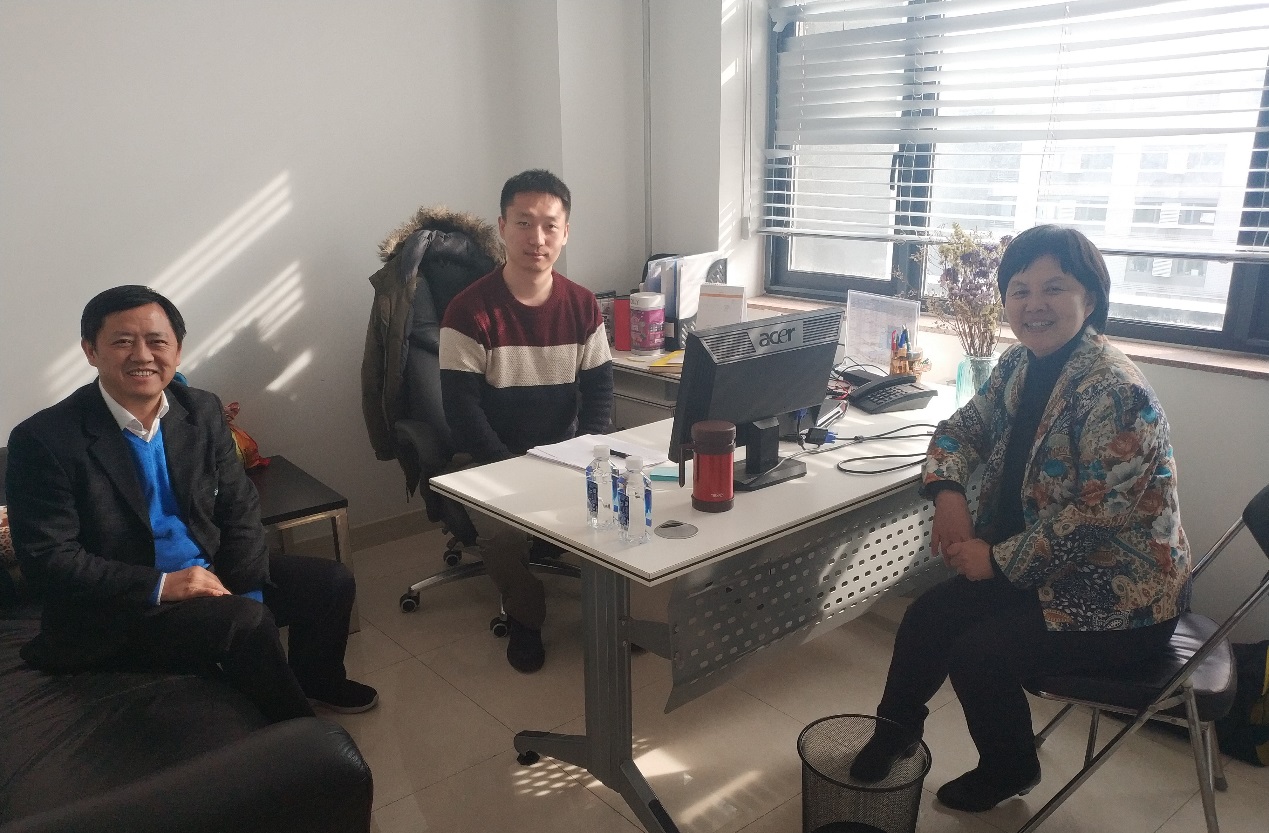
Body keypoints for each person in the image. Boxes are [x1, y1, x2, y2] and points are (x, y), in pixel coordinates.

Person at [849, 225, 1192, 812]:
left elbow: (1096, 517)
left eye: (1054, 287)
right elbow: (962, 428)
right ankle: (896, 731)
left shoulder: (1115, 390)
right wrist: (948, 492)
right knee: (928, 617)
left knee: (979, 652)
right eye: (1020, 289)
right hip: (1043, 574)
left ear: (1090, 297)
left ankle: (1010, 767)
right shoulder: (1018, 363)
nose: (1034, 304)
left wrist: (998, 561)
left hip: (1122, 598)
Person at [5, 286, 378, 722]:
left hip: (207, 572)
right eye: (123, 341)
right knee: (243, 623)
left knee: (330, 581)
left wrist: (246, 587)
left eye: (157, 341)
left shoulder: (200, 409)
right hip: (120, 606)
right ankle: (299, 731)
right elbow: (49, 559)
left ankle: (317, 680)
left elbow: (238, 505)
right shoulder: (44, 439)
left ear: (178, 351)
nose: (142, 355)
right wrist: (164, 586)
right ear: (91, 350)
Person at [439, 169, 613, 673]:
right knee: (503, 535)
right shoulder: (468, 311)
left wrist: (583, 452)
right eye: (523, 223)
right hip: (488, 458)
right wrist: (514, 470)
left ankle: (617, 616)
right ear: (502, 227)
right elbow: (462, 413)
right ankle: (525, 617)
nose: (537, 238)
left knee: (622, 501)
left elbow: (599, 393)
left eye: (550, 225)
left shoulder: (582, 305)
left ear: (566, 232)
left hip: (563, 452)